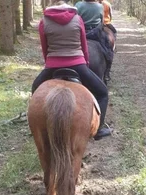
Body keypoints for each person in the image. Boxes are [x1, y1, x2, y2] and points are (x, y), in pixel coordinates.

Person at [31, 0, 111, 140]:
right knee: (103, 92)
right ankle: (99, 129)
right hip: (77, 64)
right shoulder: (77, 18)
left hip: (52, 65)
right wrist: (85, 62)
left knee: (35, 89)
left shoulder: (44, 21)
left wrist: (49, 63)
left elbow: (45, 47)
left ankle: (36, 126)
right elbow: (83, 45)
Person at [75, 0, 114, 81]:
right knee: (108, 48)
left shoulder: (78, 5)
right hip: (95, 33)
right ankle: (107, 71)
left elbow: (75, 19)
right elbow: (102, 22)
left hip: (80, 33)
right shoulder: (100, 6)